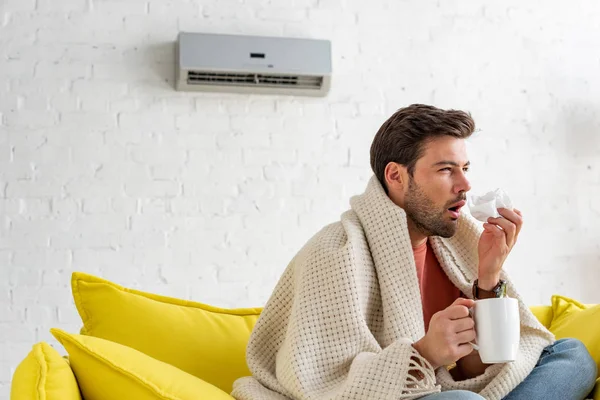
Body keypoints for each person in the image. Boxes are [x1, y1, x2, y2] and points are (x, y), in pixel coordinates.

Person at [231, 104, 597, 400]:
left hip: (451, 394)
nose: (466, 185)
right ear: (396, 176)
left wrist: (488, 278)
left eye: (466, 168)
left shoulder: (458, 243)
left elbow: (480, 367)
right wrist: (425, 353)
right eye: (446, 170)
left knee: (571, 357)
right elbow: (320, 381)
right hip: (402, 397)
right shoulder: (336, 252)